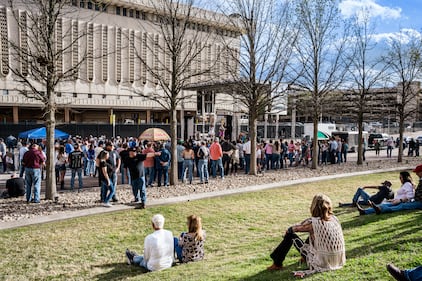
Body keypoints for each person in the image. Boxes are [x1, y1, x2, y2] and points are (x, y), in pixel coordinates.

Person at [267, 194, 346, 277]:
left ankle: (277, 263)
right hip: (337, 259)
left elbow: (291, 229)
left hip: (321, 262)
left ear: (314, 207)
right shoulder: (334, 219)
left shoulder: (313, 224)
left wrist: (289, 230)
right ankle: (303, 258)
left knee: (290, 236)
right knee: (316, 235)